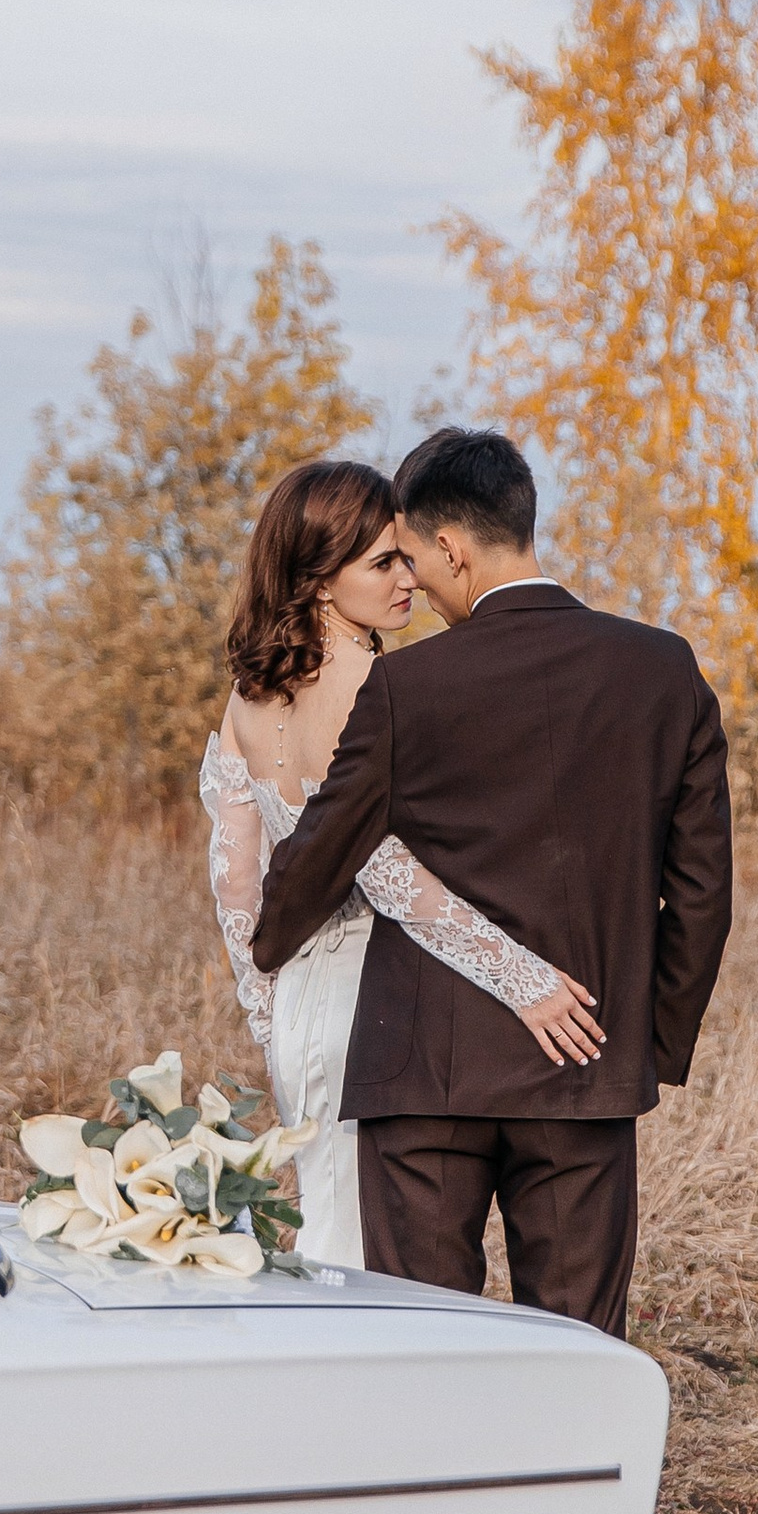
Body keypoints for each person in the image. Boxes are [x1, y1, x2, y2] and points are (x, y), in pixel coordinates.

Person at [250, 426, 732, 1331]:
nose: (418, 593)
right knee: (581, 1345)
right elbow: (703, 894)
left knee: (426, 1346)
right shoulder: (664, 672)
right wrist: (646, 1044)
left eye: (419, 567)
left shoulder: (403, 688)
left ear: (451, 548)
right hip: (583, 1070)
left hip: (422, 1081)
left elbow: (318, 857)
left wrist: (272, 944)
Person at [199, 458, 603, 1268]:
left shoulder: (249, 695)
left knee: (327, 1224)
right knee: (364, 1257)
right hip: (369, 1001)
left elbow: (237, 885)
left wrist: (268, 1010)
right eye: (382, 563)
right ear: (319, 578)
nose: (407, 578)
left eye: (405, 556)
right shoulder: (374, 683)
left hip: (298, 1007)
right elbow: (385, 873)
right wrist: (521, 977)